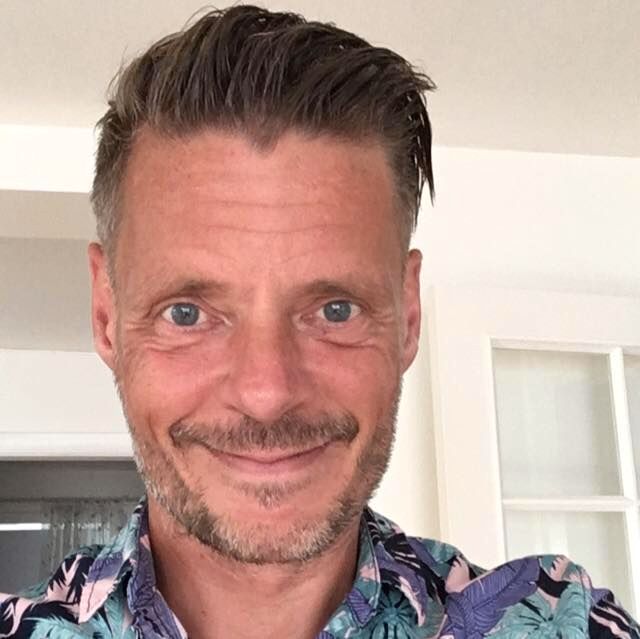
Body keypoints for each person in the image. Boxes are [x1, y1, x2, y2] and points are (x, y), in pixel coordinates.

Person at [1, 5, 637, 638]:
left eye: (336, 310)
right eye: (187, 314)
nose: (267, 393)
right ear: (107, 315)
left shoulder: (558, 625)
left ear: (407, 314)